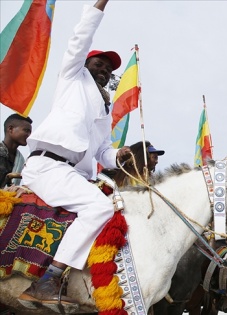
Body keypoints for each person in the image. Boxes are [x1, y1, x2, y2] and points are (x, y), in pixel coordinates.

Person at [18, 0, 131, 311]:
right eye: (99, 63)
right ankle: (47, 281)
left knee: (121, 207)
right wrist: (99, 5)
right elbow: (80, 38)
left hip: (75, 173)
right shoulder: (71, 77)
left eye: (109, 68)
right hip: (48, 166)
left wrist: (120, 155)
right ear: (84, 64)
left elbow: (102, 152)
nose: (105, 68)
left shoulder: (104, 109)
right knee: (100, 208)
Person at [0, 114, 32, 187]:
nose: (29, 135)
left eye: (30, 132)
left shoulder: (20, 159)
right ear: (10, 129)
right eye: (26, 130)